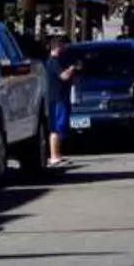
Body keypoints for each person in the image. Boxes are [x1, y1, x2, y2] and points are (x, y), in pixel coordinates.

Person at [45, 39, 78, 169]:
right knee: (56, 127)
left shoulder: (59, 60)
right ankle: (53, 156)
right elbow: (63, 76)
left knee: (62, 125)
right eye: (61, 46)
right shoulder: (53, 62)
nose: (63, 48)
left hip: (62, 97)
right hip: (56, 98)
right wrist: (71, 69)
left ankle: (58, 154)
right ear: (56, 47)